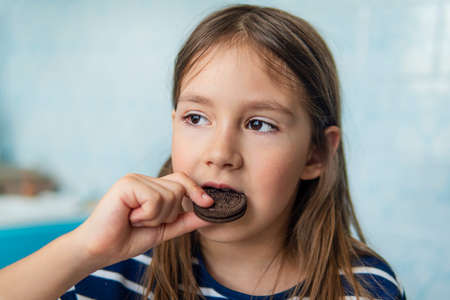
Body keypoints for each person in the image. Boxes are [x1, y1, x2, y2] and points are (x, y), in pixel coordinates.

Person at [0, 4, 406, 300]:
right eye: (197, 118)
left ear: (315, 154)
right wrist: (84, 249)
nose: (220, 153)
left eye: (259, 124)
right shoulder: (117, 271)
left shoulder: (362, 287)